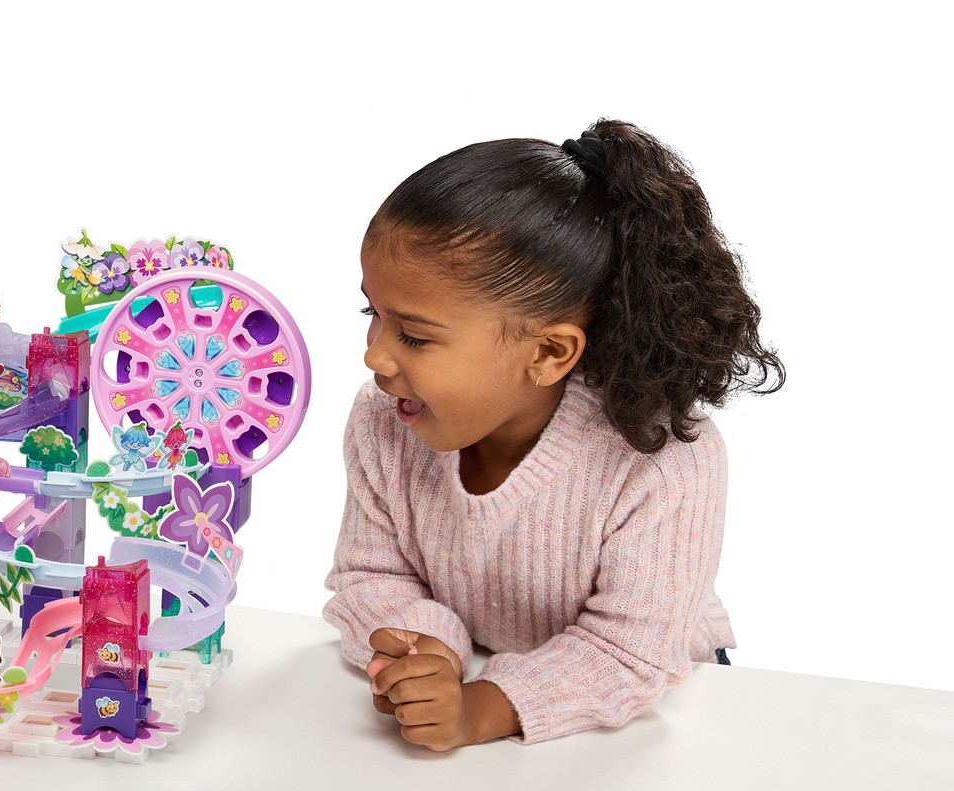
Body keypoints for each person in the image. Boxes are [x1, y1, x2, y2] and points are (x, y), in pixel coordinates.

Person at [325, 119, 783, 752]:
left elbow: (630, 651)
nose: (375, 356)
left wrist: (479, 710)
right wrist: (426, 651)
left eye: (415, 335)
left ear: (548, 352)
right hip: (486, 666)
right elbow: (370, 573)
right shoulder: (386, 419)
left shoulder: (663, 460)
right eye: (371, 313)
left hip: (651, 716)